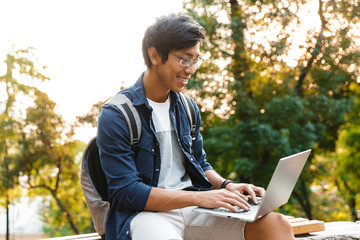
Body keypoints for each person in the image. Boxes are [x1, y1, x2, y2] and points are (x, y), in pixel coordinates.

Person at [97, 13, 295, 240]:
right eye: (184, 59)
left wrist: (226, 185)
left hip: (195, 209)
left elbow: (199, 163)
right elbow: (127, 192)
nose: (190, 70)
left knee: (275, 225)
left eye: (195, 60)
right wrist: (200, 198)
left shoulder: (187, 108)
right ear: (154, 55)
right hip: (145, 216)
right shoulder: (117, 114)